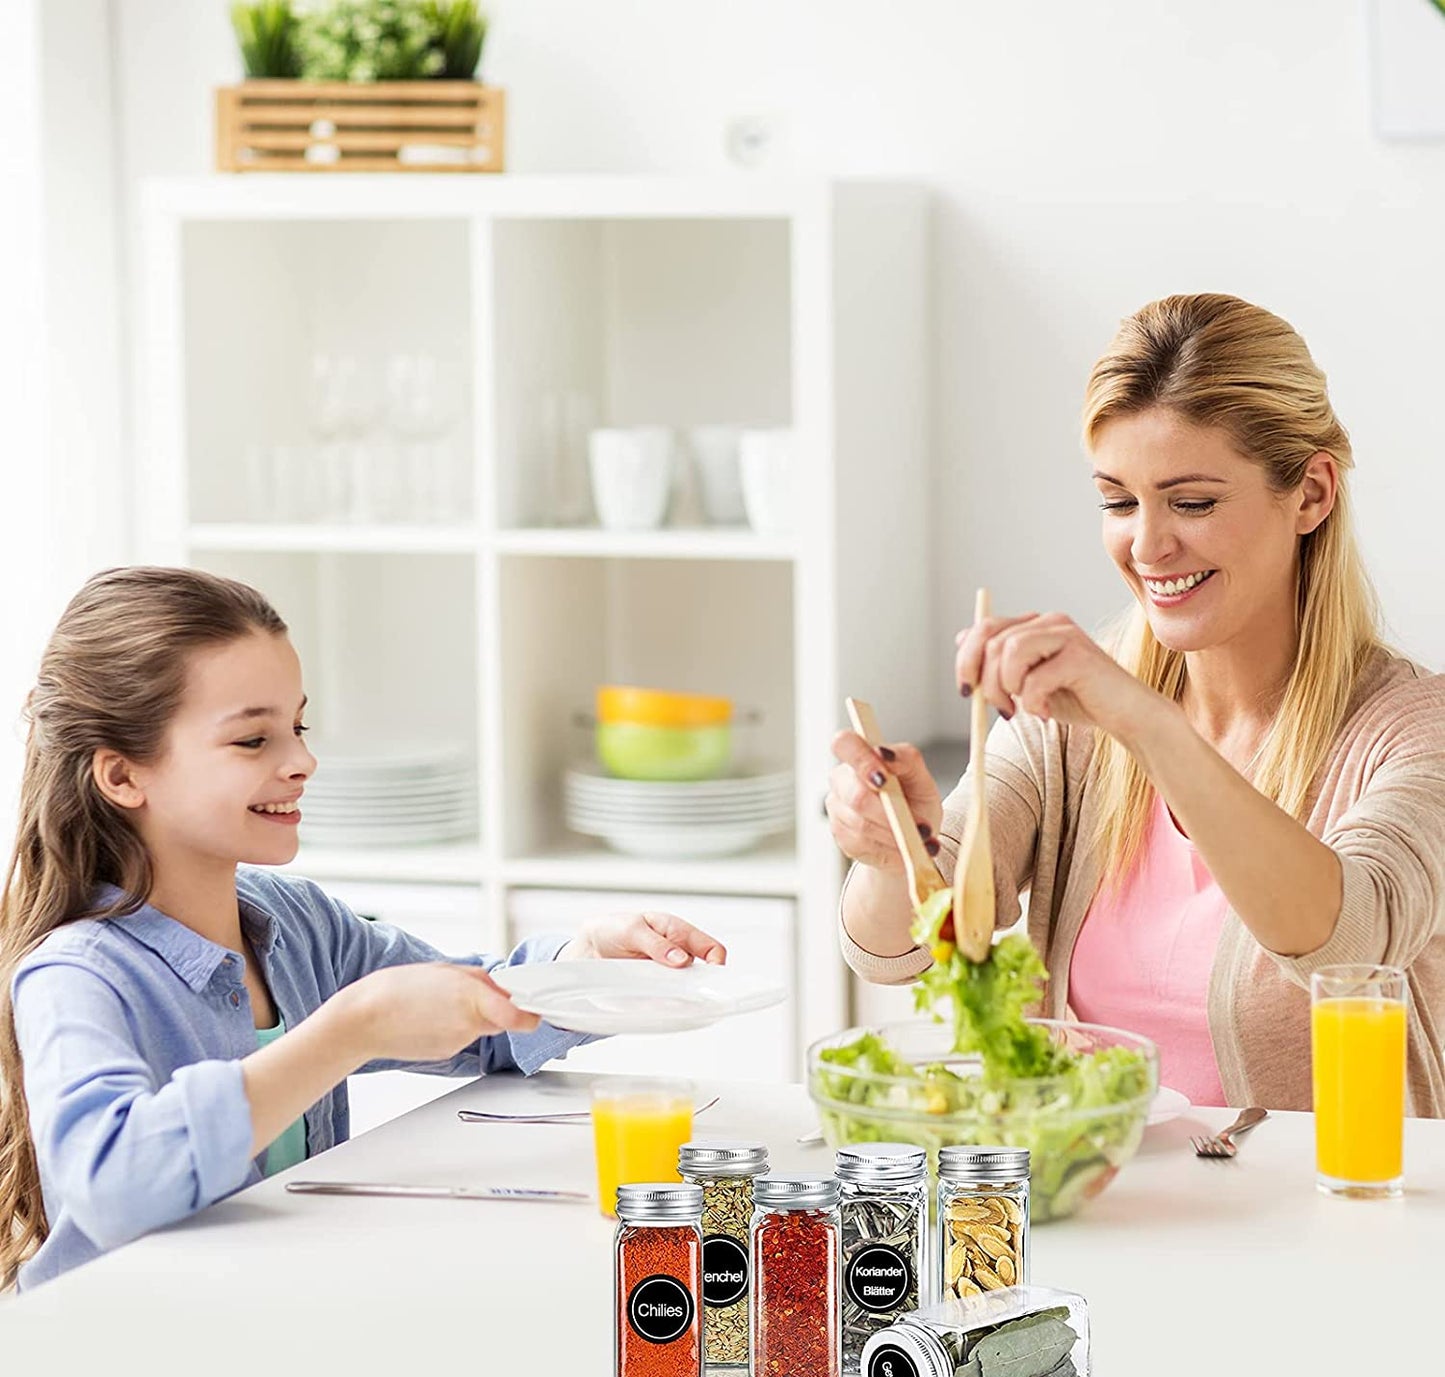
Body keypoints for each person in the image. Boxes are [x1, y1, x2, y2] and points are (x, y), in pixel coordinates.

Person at [0, 567, 726, 1290]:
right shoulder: (77, 974)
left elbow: (479, 1018)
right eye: (253, 739)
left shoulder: (298, 924)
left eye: (298, 725)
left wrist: (583, 961)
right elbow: (112, 1182)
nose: (302, 761)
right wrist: (346, 1031)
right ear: (123, 776)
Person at [828, 293, 1445, 1116]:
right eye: (1118, 502)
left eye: (1191, 502)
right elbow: (899, 949)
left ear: (1310, 494)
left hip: (1325, 1233)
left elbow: (1347, 937)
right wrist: (889, 849)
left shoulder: (1410, 730)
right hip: (1102, 1216)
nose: (1147, 546)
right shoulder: (1066, 731)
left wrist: (1148, 723)